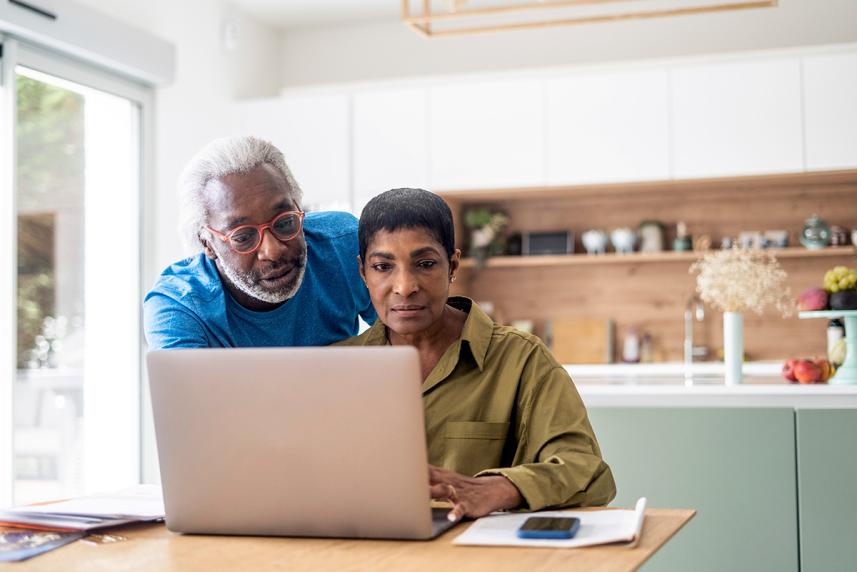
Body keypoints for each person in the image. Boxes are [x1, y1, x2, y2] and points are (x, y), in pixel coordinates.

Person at [338, 188, 615, 520]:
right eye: (383, 266)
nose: (405, 286)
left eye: (425, 264)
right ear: (362, 272)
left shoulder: (521, 360)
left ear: (453, 265)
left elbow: (587, 472)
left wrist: (502, 488)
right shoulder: (336, 369)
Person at [144, 136, 376, 349]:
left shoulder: (345, 244)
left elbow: (399, 337)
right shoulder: (179, 307)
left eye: (285, 222)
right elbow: (190, 385)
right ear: (207, 244)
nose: (273, 251)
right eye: (243, 237)